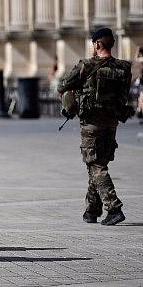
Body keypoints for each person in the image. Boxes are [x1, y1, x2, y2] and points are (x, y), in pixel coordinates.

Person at [57, 28, 132, 226]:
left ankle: (114, 207)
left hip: (91, 124)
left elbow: (63, 85)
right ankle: (92, 210)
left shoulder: (86, 65)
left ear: (97, 44)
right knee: (98, 163)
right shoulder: (124, 68)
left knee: (95, 165)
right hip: (111, 122)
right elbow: (124, 95)